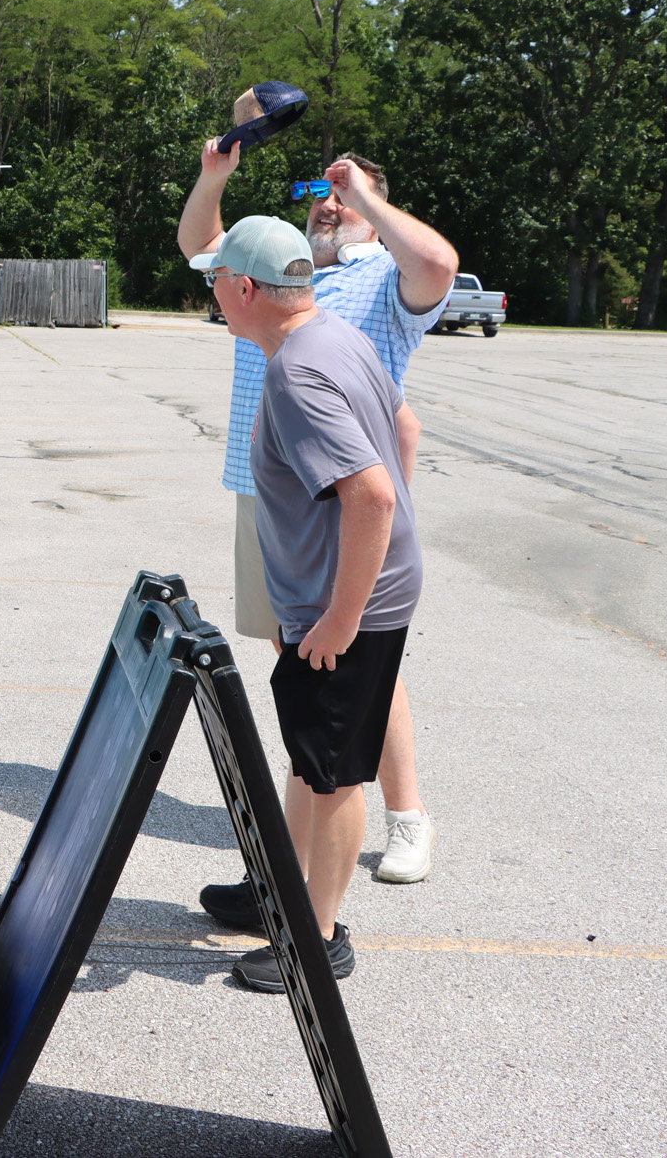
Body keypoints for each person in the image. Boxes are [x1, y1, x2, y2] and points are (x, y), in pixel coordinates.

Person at [179, 125, 457, 905]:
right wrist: (215, 174)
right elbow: (204, 248)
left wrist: (364, 195)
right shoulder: (286, 272)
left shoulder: (378, 281)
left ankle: (395, 830)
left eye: (348, 196)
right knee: (303, 682)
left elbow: (437, 264)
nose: (329, 203)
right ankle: (280, 882)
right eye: (322, 193)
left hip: (339, 507)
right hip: (274, 494)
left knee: (346, 680)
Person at [195, 215, 423, 989]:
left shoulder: (296, 371)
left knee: (333, 776)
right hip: (345, 592)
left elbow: (371, 495)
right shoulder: (335, 336)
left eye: (216, 281)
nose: (214, 295)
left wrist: (342, 612)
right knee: (311, 757)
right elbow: (406, 429)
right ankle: (284, 897)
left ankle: (319, 939)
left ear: (246, 288)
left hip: (344, 606)